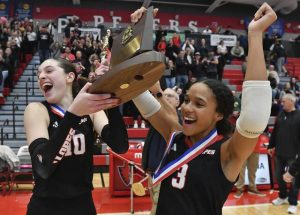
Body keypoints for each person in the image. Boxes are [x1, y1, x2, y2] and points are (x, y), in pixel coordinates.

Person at [131, 3, 276, 215]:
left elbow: (253, 118)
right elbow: (135, 89)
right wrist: (137, 36)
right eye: (187, 100)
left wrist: (254, 35)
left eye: (199, 104)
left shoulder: (227, 152)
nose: (187, 108)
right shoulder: (175, 134)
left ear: (219, 114)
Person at [24, 58, 129, 215]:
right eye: (38, 74)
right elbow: (43, 167)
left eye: (49, 70)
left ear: (70, 77)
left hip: (82, 204)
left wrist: (110, 98)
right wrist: (73, 114)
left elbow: (120, 146)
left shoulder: (90, 110)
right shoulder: (36, 110)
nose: (41, 76)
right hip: (46, 205)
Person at [142, 86, 181, 215]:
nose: (165, 97)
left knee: (158, 206)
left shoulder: (176, 120)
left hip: (165, 171)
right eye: (164, 95)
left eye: (169, 96)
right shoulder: (156, 116)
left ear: (178, 102)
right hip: (152, 169)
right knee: (155, 202)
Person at [268, 93, 300, 214]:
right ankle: (282, 196)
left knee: (293, 178)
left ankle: (293, 202)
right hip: (280, 152)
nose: (281, 104)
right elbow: (275, 131)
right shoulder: (281, 114)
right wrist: (271, 145)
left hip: (294, 154)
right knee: (279, 176)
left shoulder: (299, 115)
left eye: (284, 101)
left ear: (291, 102)